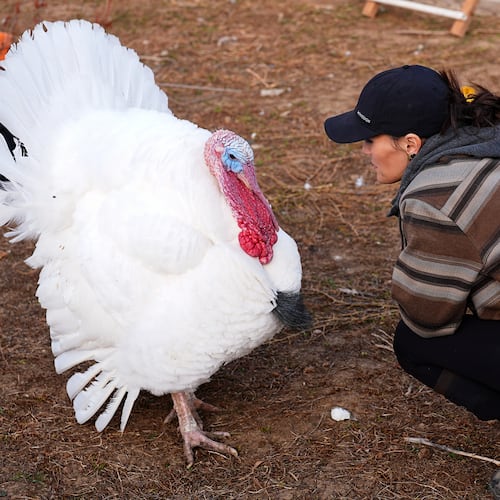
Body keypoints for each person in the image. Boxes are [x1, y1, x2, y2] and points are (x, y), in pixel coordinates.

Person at [323, 65, 500, 422]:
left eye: (371, 139)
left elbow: (427, 317)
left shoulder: (435, 197)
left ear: (410, 144)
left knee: (414, 343)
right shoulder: (488, 140)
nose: (364, 150)